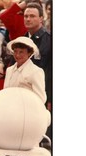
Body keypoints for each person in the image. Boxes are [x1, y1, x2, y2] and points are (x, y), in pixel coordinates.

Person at [23, 2, 52, 142]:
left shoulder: (49, 39)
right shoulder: (24, 38)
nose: (28, 19)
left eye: (32, 16)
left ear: (41, 18)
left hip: (43, 92)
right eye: (26, 16)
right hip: (26, 91)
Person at [4, 36, 46, 103]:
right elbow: (5, 92)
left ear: (29, 53)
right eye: (15, 51)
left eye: (21, 52)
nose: (17, 55)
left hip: (27, 110)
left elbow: (41, 98)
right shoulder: (9, 70)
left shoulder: (36, 71)